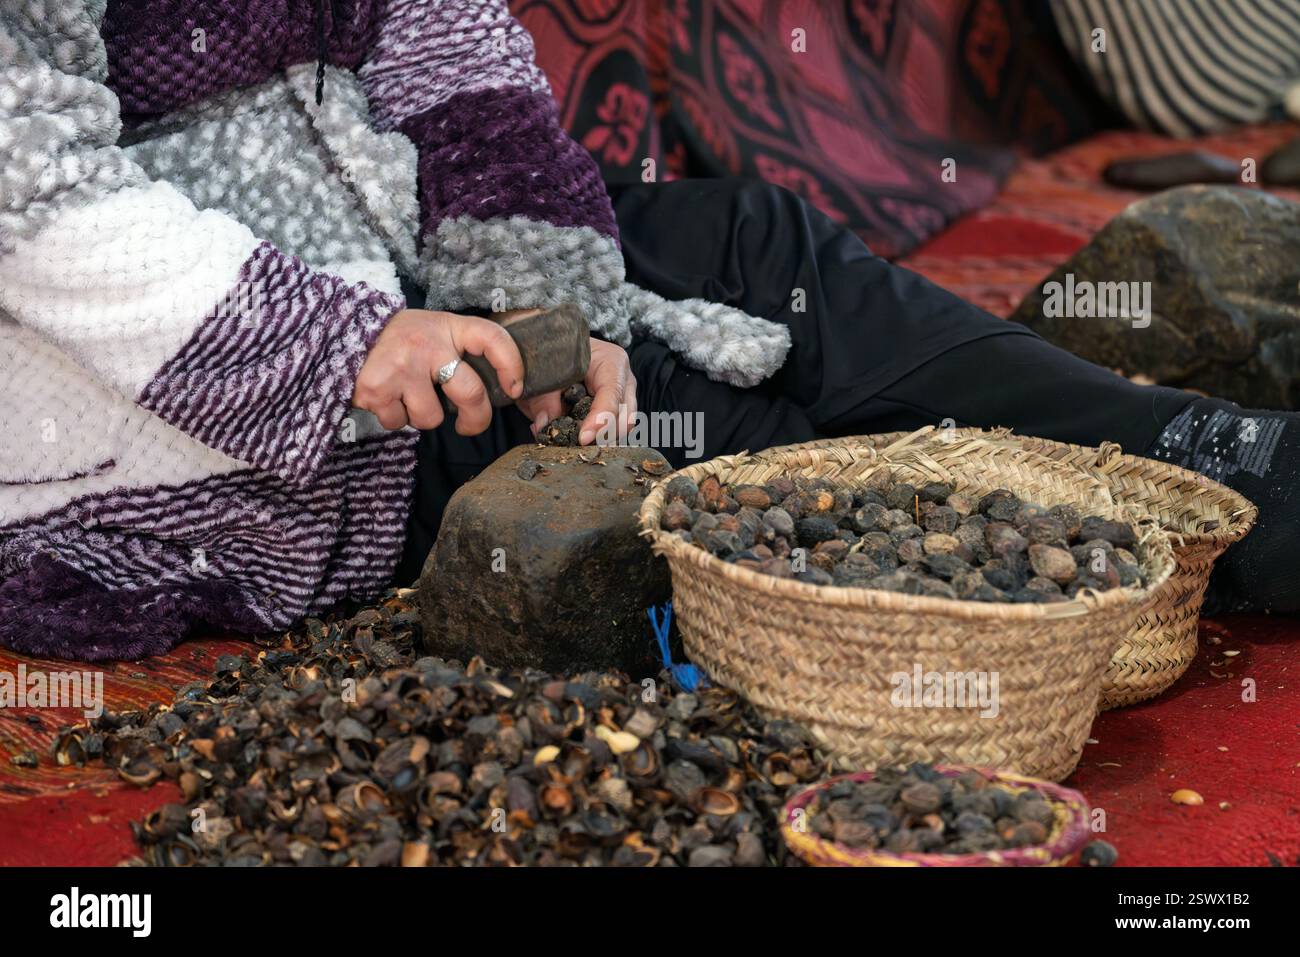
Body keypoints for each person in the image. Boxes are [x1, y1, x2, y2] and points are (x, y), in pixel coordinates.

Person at [0, 1, 1293, 662]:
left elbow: (439, 40)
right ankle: (1167, 537)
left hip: (380, 221)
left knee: (759, 247)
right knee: (717, 423)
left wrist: (552, 293)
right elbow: (29, 178)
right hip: (160, 361)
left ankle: (1223, 461)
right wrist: (343, 343)